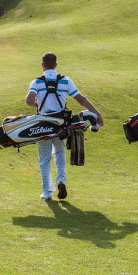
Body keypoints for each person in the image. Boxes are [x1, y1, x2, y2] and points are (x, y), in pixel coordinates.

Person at [25, 52, 103, 201]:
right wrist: (97, 113)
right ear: (55, 65)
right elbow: (81, 100)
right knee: (59, 153)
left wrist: (37, 103)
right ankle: (61, 180)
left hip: (43, 125)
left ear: (42, 65)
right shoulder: (65, 81)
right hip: (61, 125)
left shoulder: (37, 82)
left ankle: (47, 192)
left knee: (44, 159)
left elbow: (29, 100)